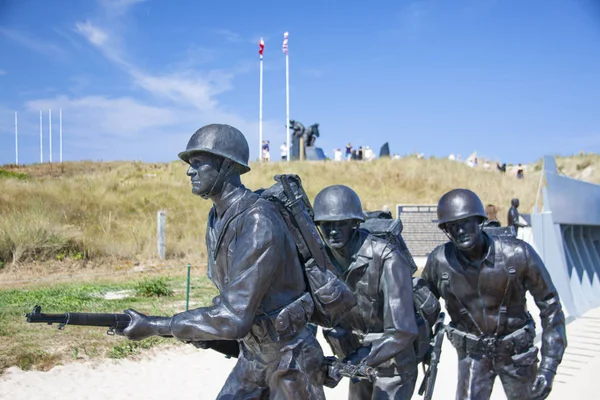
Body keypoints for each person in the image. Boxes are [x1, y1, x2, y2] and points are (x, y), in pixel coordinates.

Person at [117, 124, 326, 399]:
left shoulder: (257, 220)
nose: (189, 171)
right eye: (190, 164)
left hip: (291, 357)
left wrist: (155, 326)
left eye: (198, 163)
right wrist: (201, 331)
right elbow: (230, 301)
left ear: (227, 165)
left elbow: (234, 317)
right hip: (254, 354)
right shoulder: (217, 219)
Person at [421, 189, 567, 400]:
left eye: (465, 223)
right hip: (473, 356)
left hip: (518, 354)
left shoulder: (519, 254)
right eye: (452, 226)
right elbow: (423, 311)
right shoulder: (439, 262)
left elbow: (551, 306)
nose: (459, 231)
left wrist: (549, 365)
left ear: (479, 221)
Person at [313, 185, 419, 400]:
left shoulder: (387, 258)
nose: (333, 231)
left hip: (393, 364)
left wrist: (352, 362)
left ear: (354, 223)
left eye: (341, 223)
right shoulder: (321, 260)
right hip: (357, 360)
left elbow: (402, 331)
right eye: (326, 224)